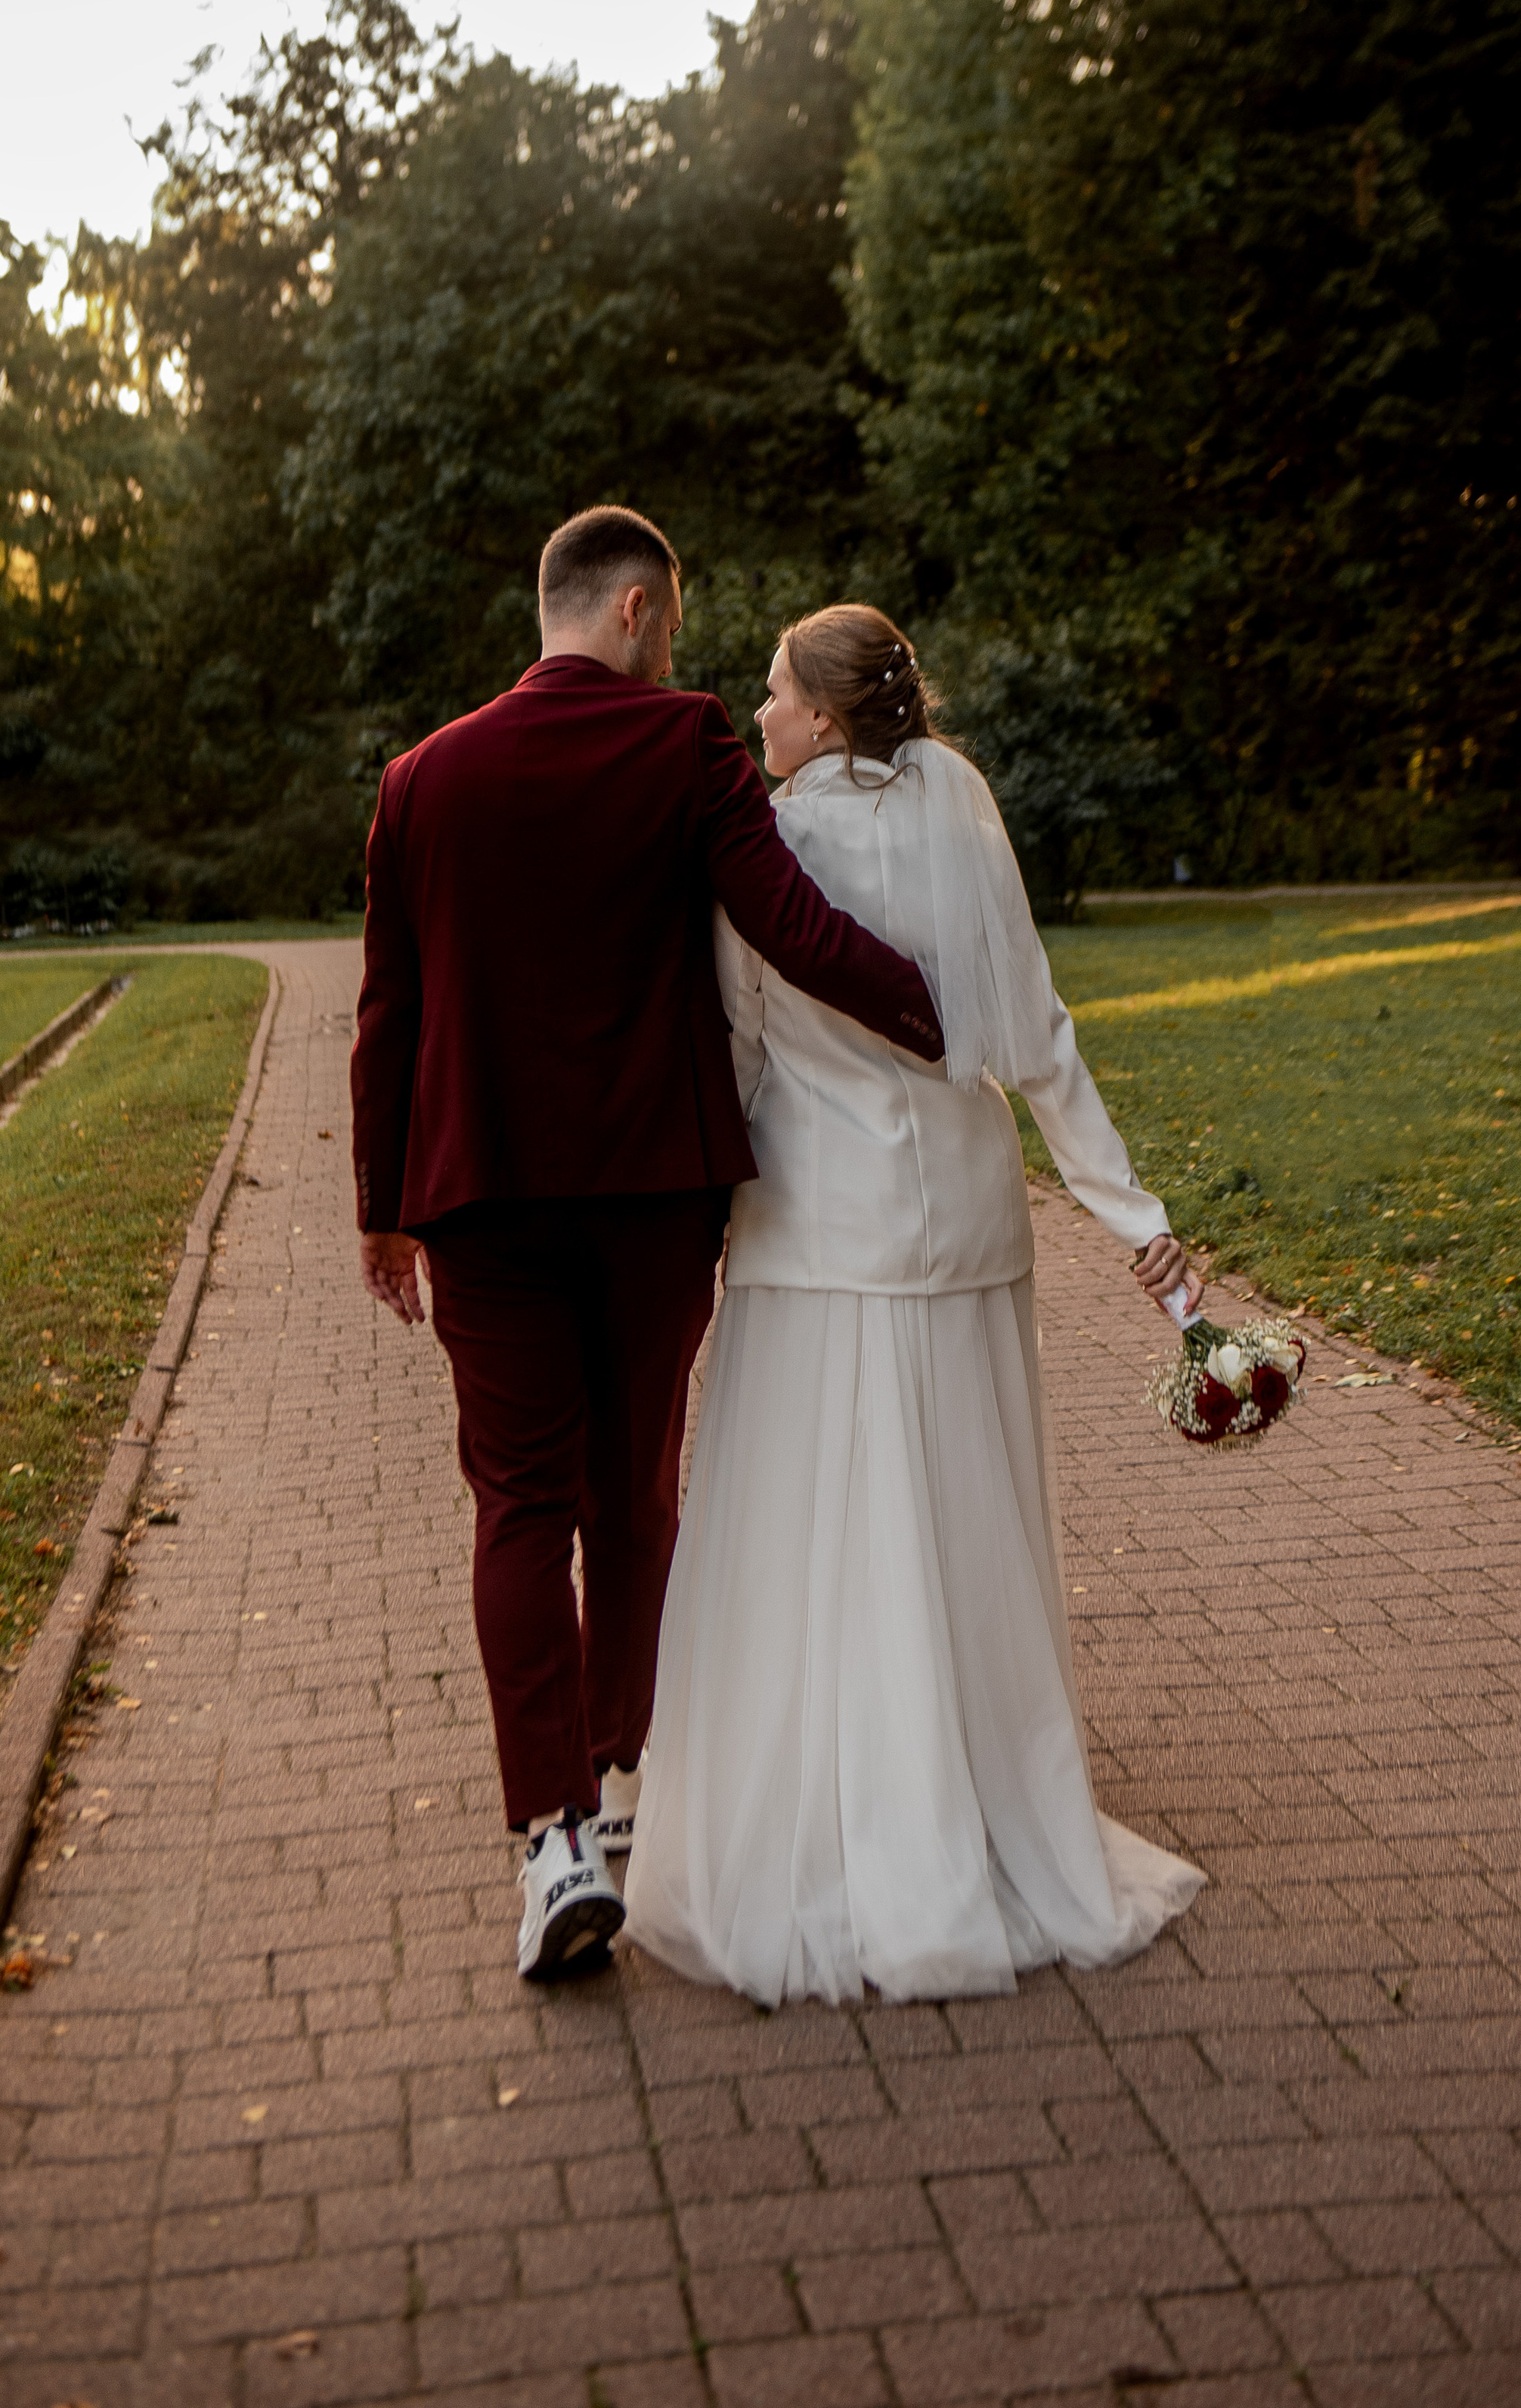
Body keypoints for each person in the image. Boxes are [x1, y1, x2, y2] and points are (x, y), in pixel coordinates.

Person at [349, 512, 948, 1982]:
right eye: (670, 621)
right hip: (651, 1197)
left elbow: (388, 1017)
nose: (677, 650)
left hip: (478, 1198)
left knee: (516, 1505)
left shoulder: (418, 781)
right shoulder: (682, 746)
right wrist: (946, 1015)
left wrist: (381, 1205)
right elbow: (792, 927)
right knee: (635, 1494)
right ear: (629, 606)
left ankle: (550, 1837)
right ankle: (619, 1788)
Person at [622, 604, 1206, 2004]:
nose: (755, 714)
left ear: (822, 719)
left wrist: (696, 1219)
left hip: (821, 1232)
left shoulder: (773, 845)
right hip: (968, 1222)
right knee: (954, 1521)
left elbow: (747, 1048)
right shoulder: (963, 801)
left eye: (771, 693)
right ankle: (982, 1797)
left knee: (821, 1529)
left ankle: (850, 1821)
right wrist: (1137, 1218)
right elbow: (1035, 1031)